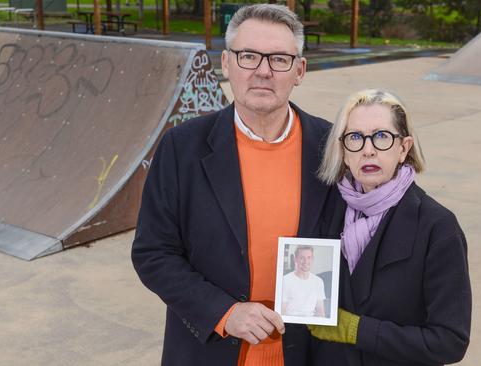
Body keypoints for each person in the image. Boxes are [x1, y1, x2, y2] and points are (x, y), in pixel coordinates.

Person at [131, 4, 344, 366]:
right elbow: (153, 252)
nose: (263, 71)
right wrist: (224, 312)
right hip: (211, 350)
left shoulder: (330, 147)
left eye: (279, 59)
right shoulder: (182, 148)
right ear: (226, 64)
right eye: (249, 56)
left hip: (305, 351)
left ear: (300, 70)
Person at [309, 89, 472, 365]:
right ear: (344, 152)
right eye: (355, 138)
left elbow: (450, 342)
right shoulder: (327, 213)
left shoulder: (438, 227)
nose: (368, 149)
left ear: (403, 148)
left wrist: (359, 331)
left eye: (382, 136)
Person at [282, 246, 326, 317]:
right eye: (302, 258)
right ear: (295, 259)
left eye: (309, 257)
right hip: (291, 322)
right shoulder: (285, 280)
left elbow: (320, 312)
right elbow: (282, 312)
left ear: (312, 259)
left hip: (310, 324)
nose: (306, 261)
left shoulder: (318, 281)